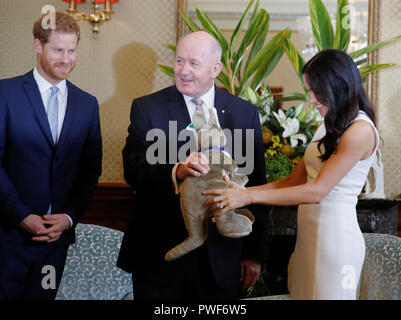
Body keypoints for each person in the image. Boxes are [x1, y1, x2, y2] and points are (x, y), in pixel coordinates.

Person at [204, 49, 379, 300]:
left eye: (314, 91)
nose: (310, 100)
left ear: (337, 85)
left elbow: (317, 192)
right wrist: (241, 192)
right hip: (309, 237)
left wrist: (247, 199)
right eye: (308, 90)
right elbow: (292, 181)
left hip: (336, 243)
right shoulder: (328, 123)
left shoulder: (360, 130)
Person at [117, 31, 270, 300]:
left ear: (215, 69)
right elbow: (133, 168)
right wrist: (175, 171)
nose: (183, 70)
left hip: (222, 258)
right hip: (160, 256)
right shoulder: (147, 108)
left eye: (193, 63)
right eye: (179, 61)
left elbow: (256, 186)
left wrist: (253, 255)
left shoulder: (244, 113)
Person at [0, 12, 102, 300]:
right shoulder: (4, 94)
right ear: (37, 47)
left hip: (55, 243)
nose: (66, 59)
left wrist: (69, 218)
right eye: (58, 50)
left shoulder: (87, 104)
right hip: (7, 236)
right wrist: (21, 216)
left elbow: (90, 170)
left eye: (72, 50)